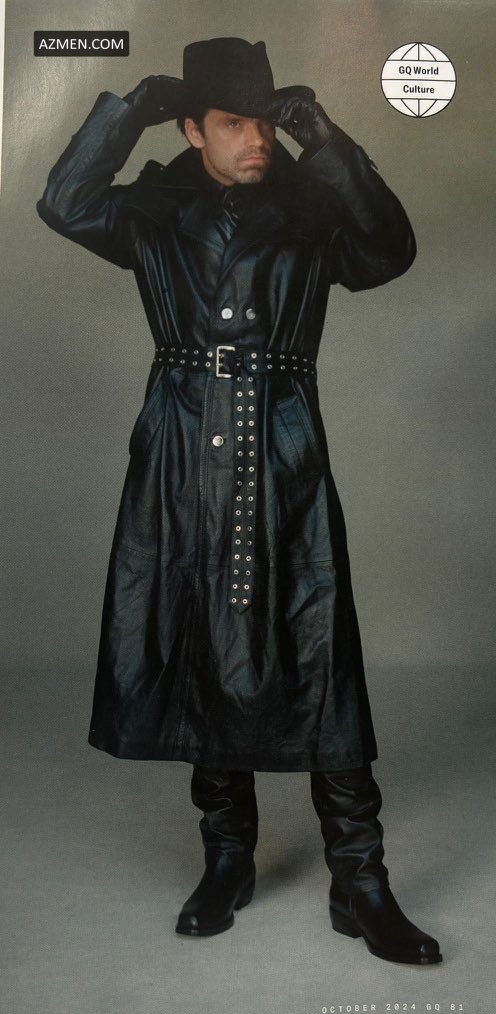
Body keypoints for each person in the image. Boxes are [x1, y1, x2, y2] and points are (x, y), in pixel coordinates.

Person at [37, 36, 442, 964]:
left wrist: (325, 139)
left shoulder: (311, 207)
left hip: (282, 441)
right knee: (199, 637)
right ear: (192, 128)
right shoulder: (152, 210)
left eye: (266, 123)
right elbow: (64, 202)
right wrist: (128, 109)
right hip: (180, 447)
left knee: (317, 642)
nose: (256, 139)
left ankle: (361, 881)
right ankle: (227, 857)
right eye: (232, 123)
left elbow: (389, 250)